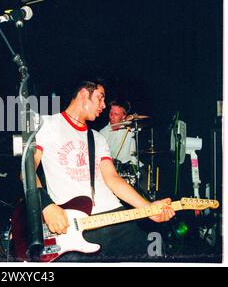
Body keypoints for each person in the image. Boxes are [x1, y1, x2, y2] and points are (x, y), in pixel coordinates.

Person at [34, 80, 175, 261]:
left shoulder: (97, 138)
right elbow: (26, 172)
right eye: (100, 98)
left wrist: (149, 209)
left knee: (154, 255)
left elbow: (113, 179)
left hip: (114, 216)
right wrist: (46, 205)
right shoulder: (46, 125)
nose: (103, 106)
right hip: (75, 224)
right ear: (84, 94)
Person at [99, 100, 147, 194]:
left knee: (144, 189)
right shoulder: (102, 133)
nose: (112, 117)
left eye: (116, 114)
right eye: (111, 113)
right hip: (113, 172)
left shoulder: (130, 127)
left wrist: (132, 117)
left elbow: (144, 119)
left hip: (132, 168)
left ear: (123, 116)